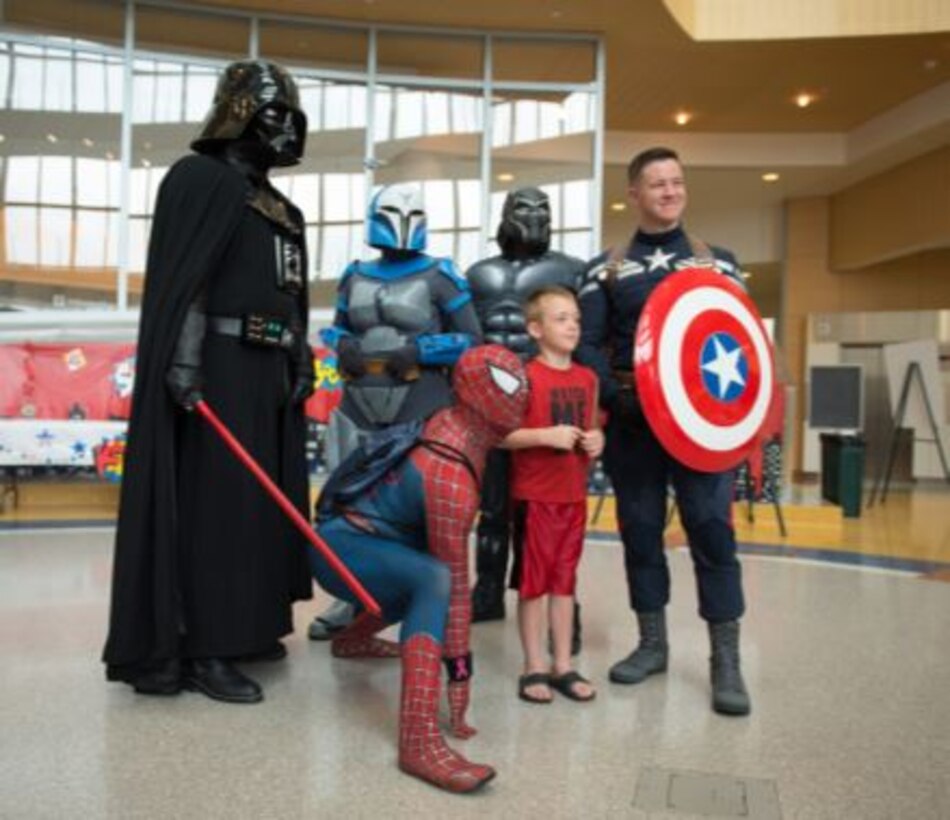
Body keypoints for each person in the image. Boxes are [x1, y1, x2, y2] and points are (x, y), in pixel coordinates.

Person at [102, 61, 314, 704]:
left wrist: (299, 358)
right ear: (238, 114)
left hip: (269, 373)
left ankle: (248, 623)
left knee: (257, 507)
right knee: (217, 508)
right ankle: (202, 645)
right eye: (273, 114)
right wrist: (185, 362)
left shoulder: (281, 206)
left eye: (292, 120)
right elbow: (188, 280)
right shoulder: (199, 180)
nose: (285, 131)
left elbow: (293, 296)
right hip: (216, 369)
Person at [575, 146, 751, 716]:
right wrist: (613, 395)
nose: (670, 191)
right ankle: (652, 644)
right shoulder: (604, 269)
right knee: (641, 529)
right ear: (634, 194)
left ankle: (727, 661)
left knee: (710, 529)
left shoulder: (719, 263)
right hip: (633, 424)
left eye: (677, 181)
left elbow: (742, 342)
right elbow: (586, 346)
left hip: (704, 425)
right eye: (657, 184)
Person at [308, 345, 529, 793]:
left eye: (521, 384)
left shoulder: (448, 426)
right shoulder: (449, 471)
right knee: (434, 579)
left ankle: (350, 641)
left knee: (418, 569)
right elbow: (458, 590)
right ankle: (419, 739)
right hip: (344, 548)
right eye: (509, 386)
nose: (519, 396)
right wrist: (460, 680)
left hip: (358, 542)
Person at [308, 183, 482, 641]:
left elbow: (473, 341)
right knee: (348, 509)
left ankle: (428, 603)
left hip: (418, 407)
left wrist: (421, 349)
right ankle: (350, 597)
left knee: (420, 510)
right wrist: (341, 345)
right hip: (358, 407)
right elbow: (338, 330)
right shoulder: (354, 275)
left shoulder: (442, 276)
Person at [466, 187, 585, 626]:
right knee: (493, 509)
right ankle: (488, 592)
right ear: (504, 214)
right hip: (491, 407)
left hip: (549, 404)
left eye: (543, 208)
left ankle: (557, 603)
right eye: (523, 207)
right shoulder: (478, 274)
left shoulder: (570, 270)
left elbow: (583, 340)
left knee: (546, 513)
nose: (534, 216)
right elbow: (467, 340)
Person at [499, 287, 602, 704]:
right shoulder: (523, 378)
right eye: (561, 318)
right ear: (535, 329)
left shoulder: (587, 378)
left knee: (564, 584)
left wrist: (598, 440)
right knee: (533, 585)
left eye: (575, 318)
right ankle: (534, 665)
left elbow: (592, 427)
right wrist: (546, 435)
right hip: (534, 497)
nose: (572, 325)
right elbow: (501, 435)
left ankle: (563, 664)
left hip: (572, 497)